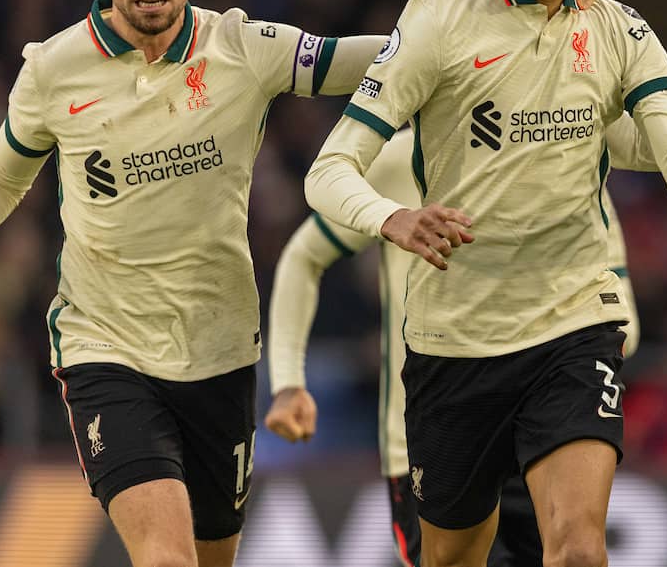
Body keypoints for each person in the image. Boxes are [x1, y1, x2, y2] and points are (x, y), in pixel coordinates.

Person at [0, 0, 392, 567]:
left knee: (210, 557)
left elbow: (372, 62)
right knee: (166, 558)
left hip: (219, 347)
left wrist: (480, 31)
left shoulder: (244, 49)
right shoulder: (53, 68)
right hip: (107, 346)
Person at [304, 0, 667, 567]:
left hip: (573, 321)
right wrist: (394, 217)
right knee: (452, 557)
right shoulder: (436, 17)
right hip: (454, 337)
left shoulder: (622, 29)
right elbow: (329, 171)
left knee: (578, 549)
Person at [265, 127, 640, 567]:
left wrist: (542, 329)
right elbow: (304, 256)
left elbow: (622, 322)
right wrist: (288, 380)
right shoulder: (400, 159)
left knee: (577, 553)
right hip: (432, 436)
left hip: (539, 434)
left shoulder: (571, 160)